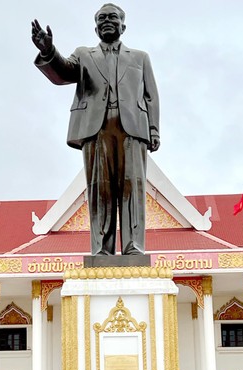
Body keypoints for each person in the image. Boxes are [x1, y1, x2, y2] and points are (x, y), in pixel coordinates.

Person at [31, 3, 160, 256]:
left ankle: (133, 246)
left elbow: (151, 96)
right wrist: (48, 50)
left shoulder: (140, 58)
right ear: (95, 28)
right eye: (101, 19)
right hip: (96, 129)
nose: (107, 21)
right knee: (100, 189)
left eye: (112, 17)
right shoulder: (84, 55)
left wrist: (154, 129)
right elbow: (63, 72)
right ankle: (102, 249)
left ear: (123, 26)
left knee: (133, 188)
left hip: (133, 129)